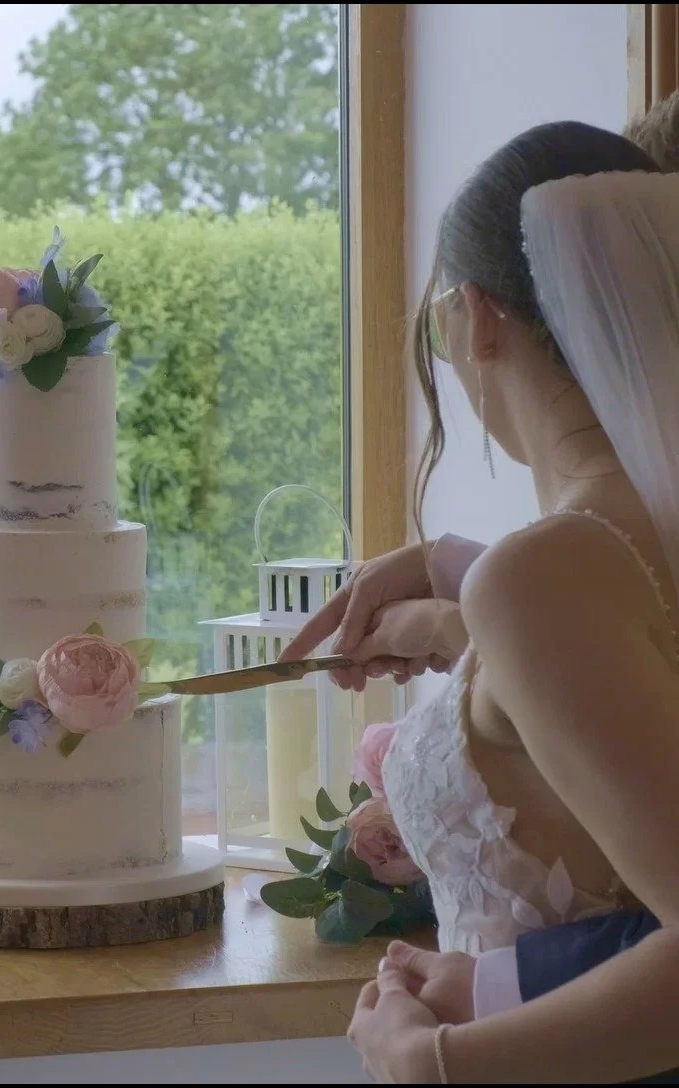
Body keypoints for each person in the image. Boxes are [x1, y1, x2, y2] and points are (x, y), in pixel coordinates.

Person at [279, 104, 679, 1081]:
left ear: (478, 315)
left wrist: (440, 1062)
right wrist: (455, 612)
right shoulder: (610, 553)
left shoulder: (543, 575)